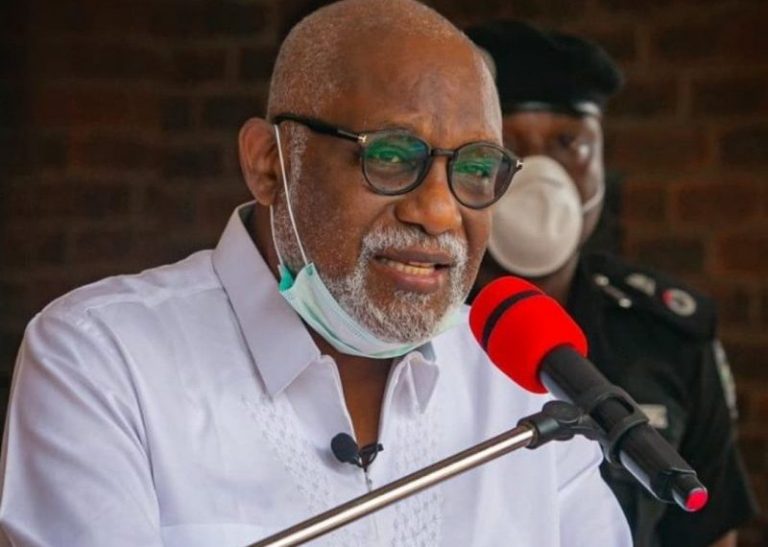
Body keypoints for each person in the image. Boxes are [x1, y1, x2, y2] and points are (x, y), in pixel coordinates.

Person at [0, 2, 631, 546]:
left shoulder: (522, 384)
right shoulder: (104, 357)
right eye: (390, 156)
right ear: (269, 163)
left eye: (474, 169)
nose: (439, 212)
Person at [465, 19, 758, 547]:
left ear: (601, 159)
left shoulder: (668, 334)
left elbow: (708, 532)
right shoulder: (418, 326)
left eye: (568, 142)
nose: (539, 172)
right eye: (507, 146)